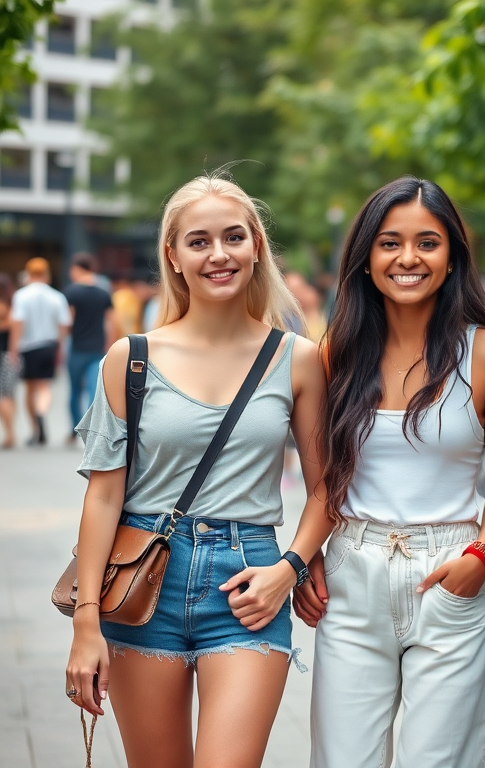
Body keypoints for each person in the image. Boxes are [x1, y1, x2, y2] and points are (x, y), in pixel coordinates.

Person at [64, 174, 332, 768]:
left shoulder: (299, 359)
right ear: (173, 255)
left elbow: (325, 488)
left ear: (256, 246)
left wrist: (290, 568)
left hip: (248, 585)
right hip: (141, 587)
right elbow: (103, 499)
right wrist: (86, 625)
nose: (219, 255)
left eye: (234, 237)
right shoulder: (130, 359)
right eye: (199, 241)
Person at [290, 177, 485, 768]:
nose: (408, 258)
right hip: (350, 575)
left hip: (451, 572)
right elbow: (325, 480)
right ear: (366, 258)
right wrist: (308, 559)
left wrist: (481, 556)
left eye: (428, 243)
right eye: (390, 243)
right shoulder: (334, 353)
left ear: (452, 259)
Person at [8, 257, 71, 445]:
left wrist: (13, 349)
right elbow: (64, 325)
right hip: (49, 345)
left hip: (27, 347)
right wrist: (60, 347)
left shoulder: (21, 295)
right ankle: (42, 412)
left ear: (29, 273)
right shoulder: (57, 296)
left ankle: (35, 428)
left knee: (29, 388)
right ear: (46, 274)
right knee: (44, 387)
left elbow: (18, 324)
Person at [64, 252, 116, 443]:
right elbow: (112, 321)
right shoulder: (103, 293)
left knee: (74, 389)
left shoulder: (71, 292)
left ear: (77, 269)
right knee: (94, 391)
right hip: (97, 349)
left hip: (77, 348)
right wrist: (109, 343)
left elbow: (67, 320)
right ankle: (92, 429)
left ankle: (74, 428)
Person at [0, 273, 17, 448]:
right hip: (10, 354)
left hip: (3, 354)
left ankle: (10, 432)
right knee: (9, 395)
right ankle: (10, 431)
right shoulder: (13, 305)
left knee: (4, 395)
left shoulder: (3, 307)